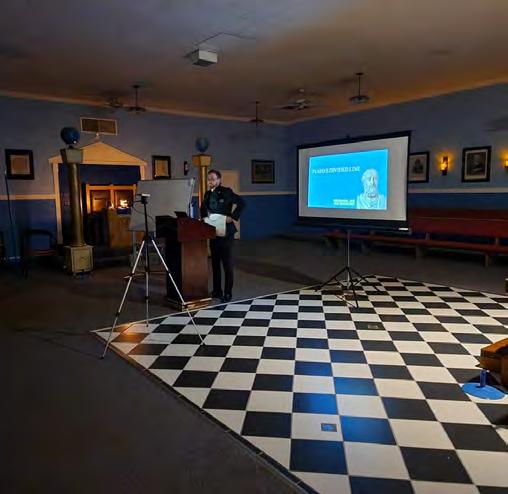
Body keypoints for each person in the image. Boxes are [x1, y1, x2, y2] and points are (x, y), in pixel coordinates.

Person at [200, 169, 245, 303]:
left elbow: (242, 203)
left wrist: (233, 217)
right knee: (215, 264)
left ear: (219, 180)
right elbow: (203, 209)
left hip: (226, 232)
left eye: (213, 179)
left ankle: (228, 292)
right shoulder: (207, 194)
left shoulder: (226, 191)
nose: (210, 181)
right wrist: (204, 218)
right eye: (209, 179)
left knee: (227, 264)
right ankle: (217, 290)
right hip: (213, 231)